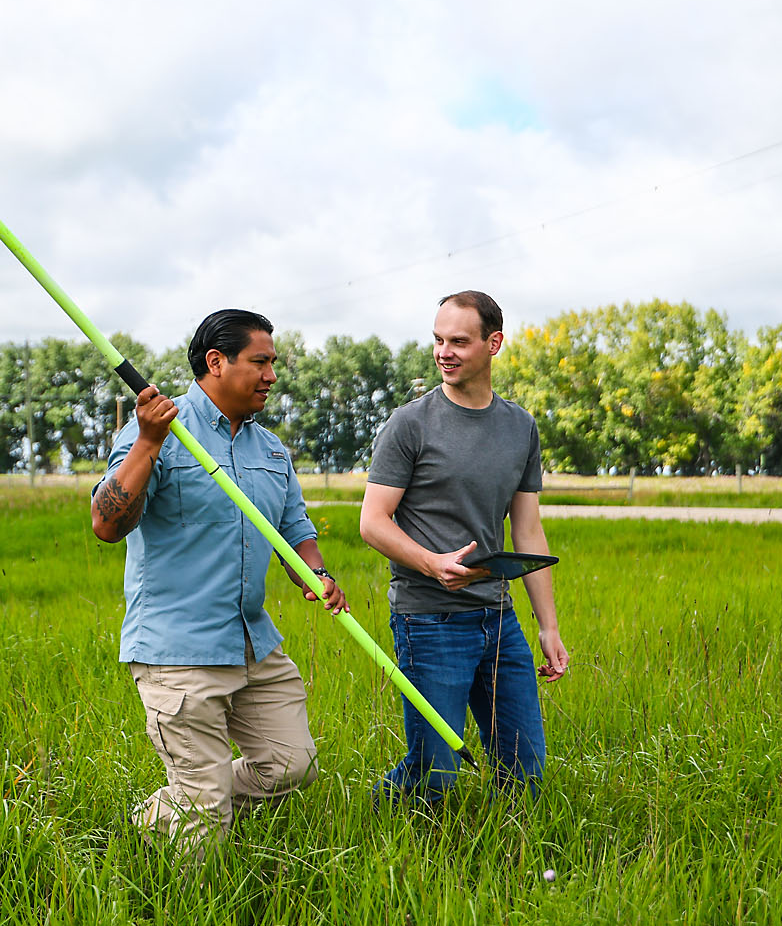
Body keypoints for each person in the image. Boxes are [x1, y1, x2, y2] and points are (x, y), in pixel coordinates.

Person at [92, 308, 349, 846]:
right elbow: (106, 524)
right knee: (206, 816)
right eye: (260, 362)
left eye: (272, 363)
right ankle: (190, 840)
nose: (271, 376)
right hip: (179, 650)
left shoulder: (271, 449)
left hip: (254, 644)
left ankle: (163, 812)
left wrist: (316, 573)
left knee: (292, 765)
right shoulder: (158, 429)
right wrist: (148, 442)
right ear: (216, 362)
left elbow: (294, 530)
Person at [360, 290, 568, 802]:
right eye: (437, 340)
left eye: (458, 341)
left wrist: (548, 626)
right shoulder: (410, 424)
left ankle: (513, 845)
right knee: (434, 777)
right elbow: (373, 522)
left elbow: (527, 530)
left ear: (493, 343)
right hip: (428, 620)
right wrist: (433, 564)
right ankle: (377, 813)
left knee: (525, 775)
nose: (443, 352)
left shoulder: (520, 427)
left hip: (497, 617)